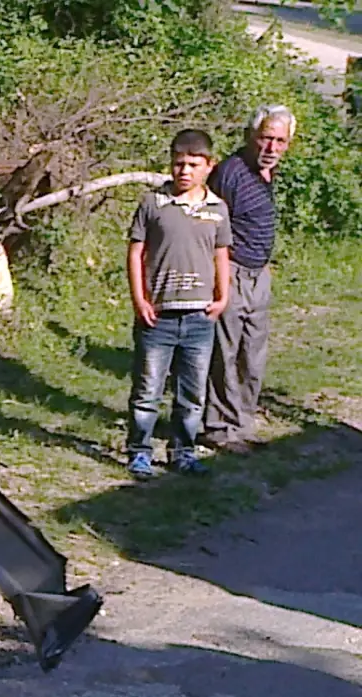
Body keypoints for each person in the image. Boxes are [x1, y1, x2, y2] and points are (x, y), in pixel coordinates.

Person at [124, 129, 232, 480]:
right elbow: (136, 252)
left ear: (208, 166)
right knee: (147, 390)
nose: (184, 171)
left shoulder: (217, 209)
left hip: (200, 317)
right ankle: (140, 452)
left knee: (192, 393)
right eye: (178, 164)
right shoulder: (153, 204)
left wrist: (223, 297)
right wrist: (140, 299)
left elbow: (221, 255)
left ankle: (183, 452)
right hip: (159, 317)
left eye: (192, 165)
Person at [202, 104, 295, 454]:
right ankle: (217, 428)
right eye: (265, 139)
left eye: (279, 141)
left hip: (258, 275)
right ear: (250, 137)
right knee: (224, 353)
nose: (271, 148)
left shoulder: (267, 173)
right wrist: (220, 278)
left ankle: (241, 423)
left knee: (252, 354)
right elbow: (210, 227)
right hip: (232, 272)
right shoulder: (231, 172)